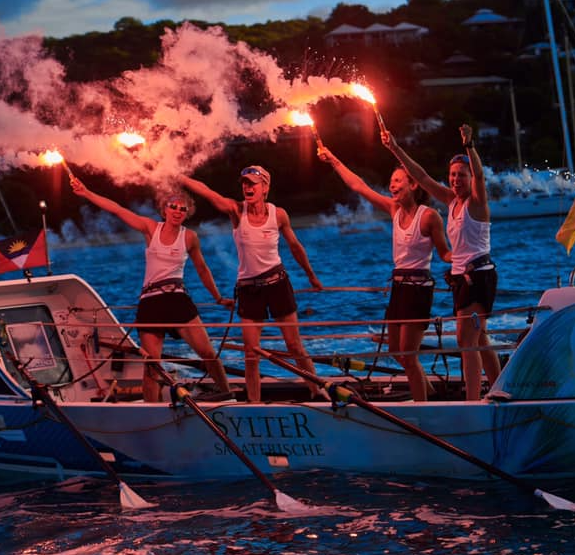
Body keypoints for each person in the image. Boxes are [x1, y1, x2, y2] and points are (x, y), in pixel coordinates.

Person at [70, 176, 232, 402]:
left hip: (177, 300)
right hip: (151, 302)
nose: (177, 211)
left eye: (182, 209)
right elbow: (117, 209)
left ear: (187, 213)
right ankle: (151, 409)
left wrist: (218, 298)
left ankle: (226, 394)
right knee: (152, 365)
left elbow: (203, 270)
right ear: (164, 209)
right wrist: (87, 193)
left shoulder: (190, 237)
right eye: (173, 206)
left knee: (207, 353)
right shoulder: (150, 228)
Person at [178, 165, 325, 402]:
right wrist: (180, 176)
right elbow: (208, 193)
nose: (247, 187)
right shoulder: (236, 210)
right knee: (250, 353)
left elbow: (295, 247)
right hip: (249, 289)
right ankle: (254, 404)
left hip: (278, 284)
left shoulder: (279, 215)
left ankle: (318, 391)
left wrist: (311, 275)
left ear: (265, 187)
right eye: (244, 183)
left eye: (252, 183)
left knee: (294, 346)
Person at [317, 145, 451, 401]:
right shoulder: (394, 210)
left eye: (398, 180)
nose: (392, 185)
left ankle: (423, 407)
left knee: (408, 355)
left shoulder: (429, 217)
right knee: (395, 351)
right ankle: (429, 389)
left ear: (413, 185)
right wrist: (333, 159)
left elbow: (445, 253)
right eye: (391, 181)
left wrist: (464, 260)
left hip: (419, 289)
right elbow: (360, 187)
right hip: (399, 288)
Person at [383, 124, 501, 401]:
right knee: (480, 338)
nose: (456, 180)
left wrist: (469, 146)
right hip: (461, 278)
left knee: (466, 341)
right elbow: (421, 176)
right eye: (452, 175)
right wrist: (395, 148)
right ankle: (498, 388)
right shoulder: (450, 202)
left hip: (478, 276)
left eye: (461, 175)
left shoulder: (476, 202)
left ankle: (472, 402)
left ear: (470, 178)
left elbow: (482, 176)